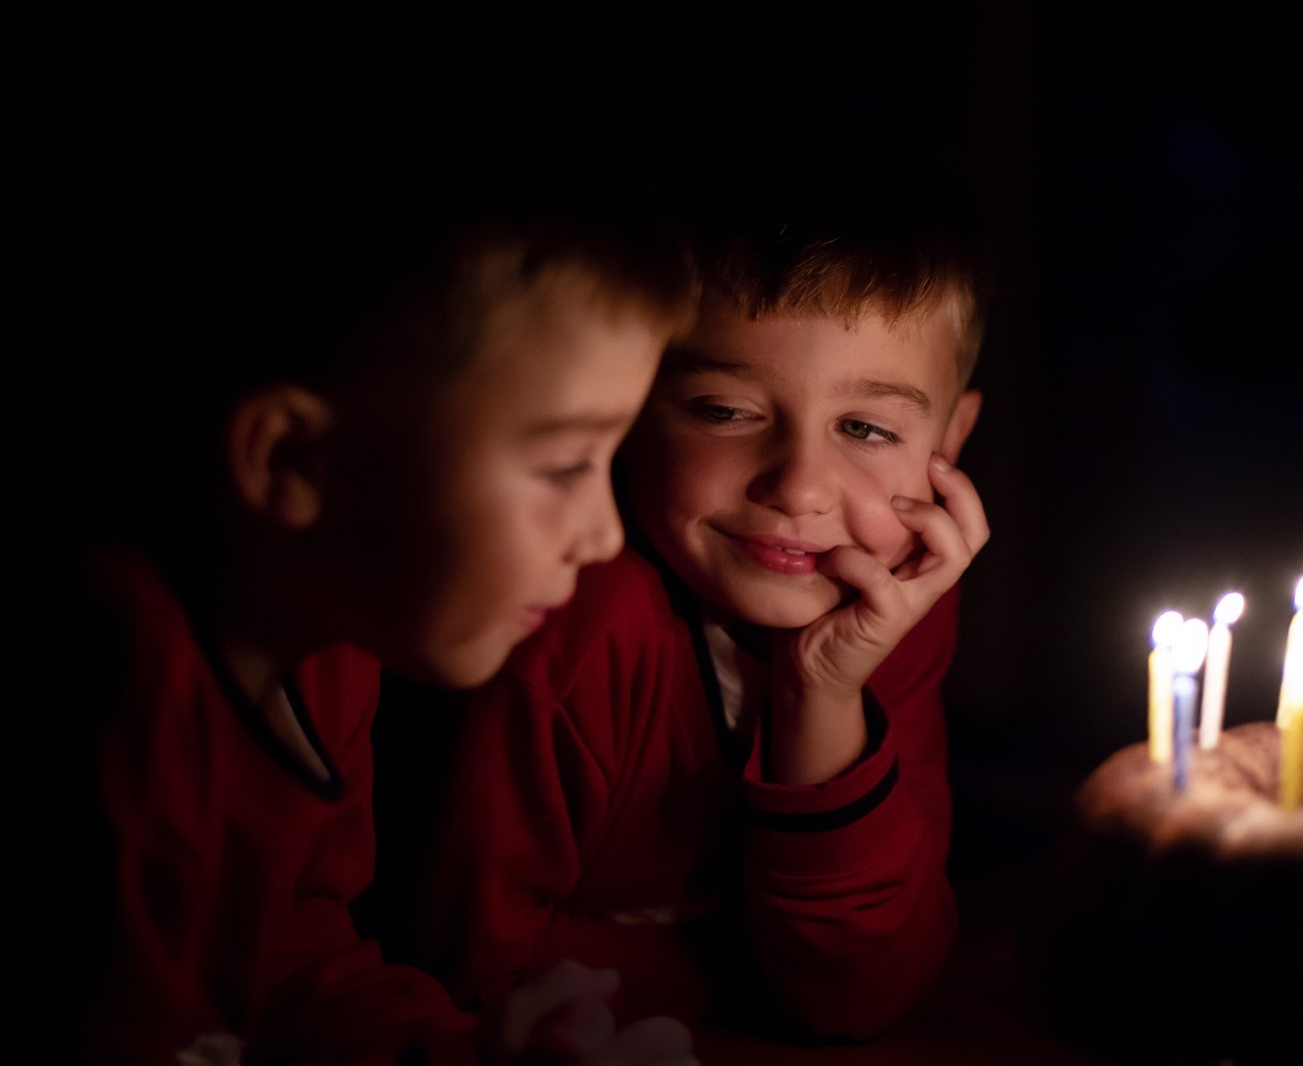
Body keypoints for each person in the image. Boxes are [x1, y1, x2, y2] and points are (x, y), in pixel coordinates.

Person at [0, 101, 704, 1066]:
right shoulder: (101, 676)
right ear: (292, 462)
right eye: (566, 465)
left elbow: (290, 971)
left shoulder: (328, 652)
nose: (607, 538)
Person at [369, 146, 991, 1043]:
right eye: (723, 410)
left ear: (953, 434)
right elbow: (463, 967)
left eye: (865, 427)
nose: (800, 487)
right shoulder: (573, 623)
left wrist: (825, 694)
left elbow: (865, 993)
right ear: (630, 401)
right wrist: (731, 971)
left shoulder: (895, 604)